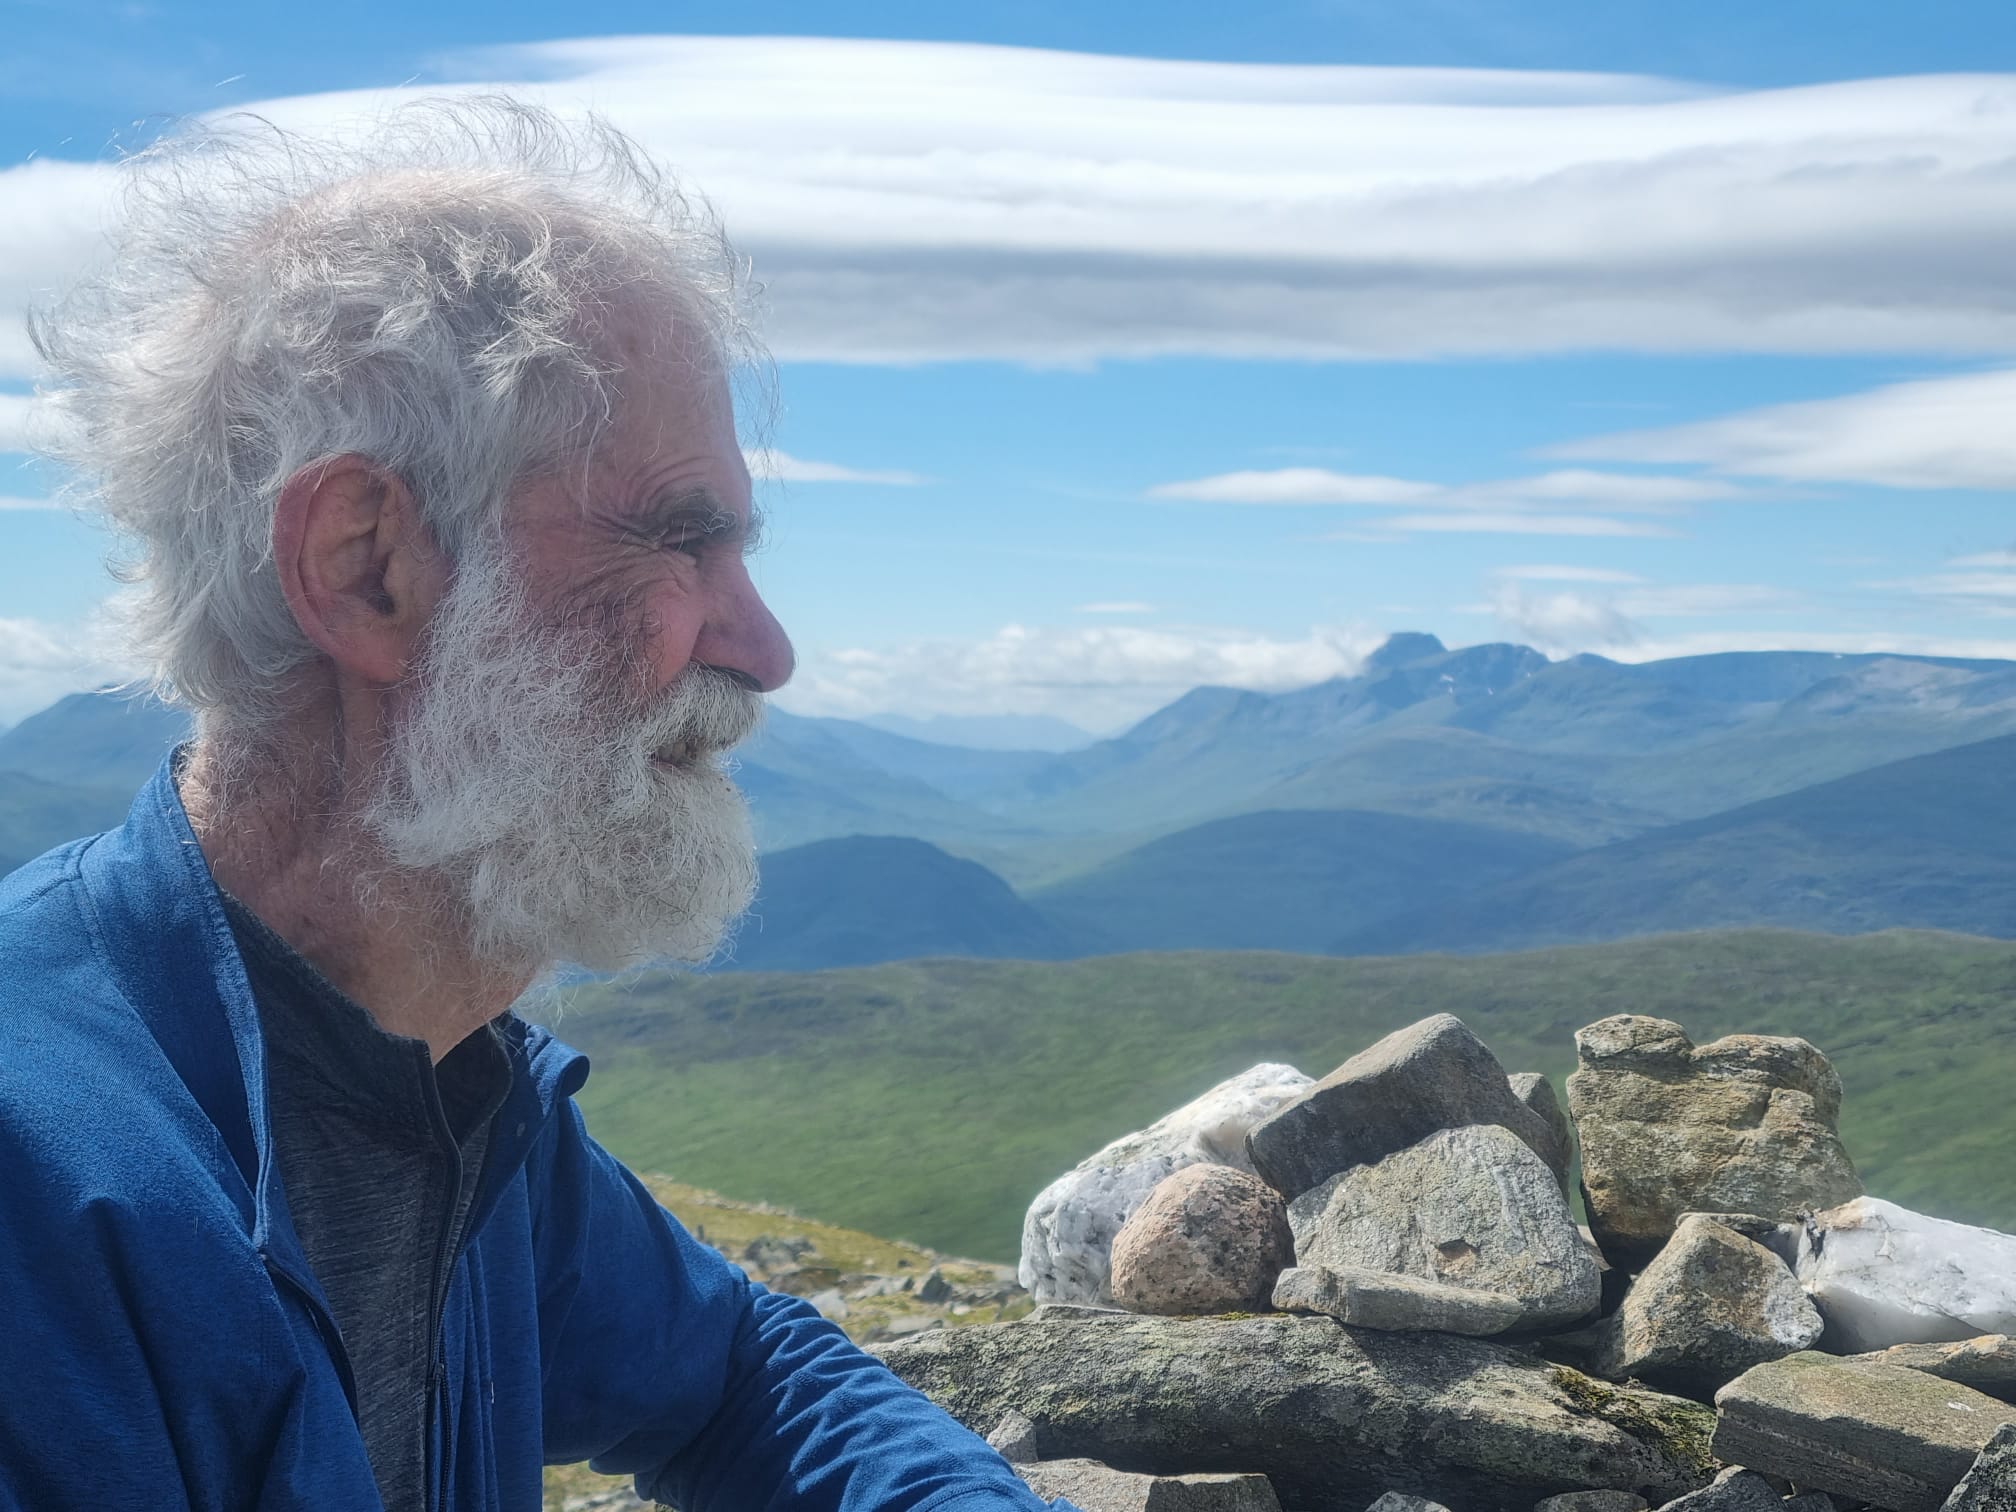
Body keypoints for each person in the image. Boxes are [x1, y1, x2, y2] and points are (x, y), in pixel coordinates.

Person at [0, 98, 1057, 1512]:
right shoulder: (40, 1189)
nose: (766, 650)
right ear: (369, 566)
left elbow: (744, 1371)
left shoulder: (441, 1078)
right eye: (684, 539)